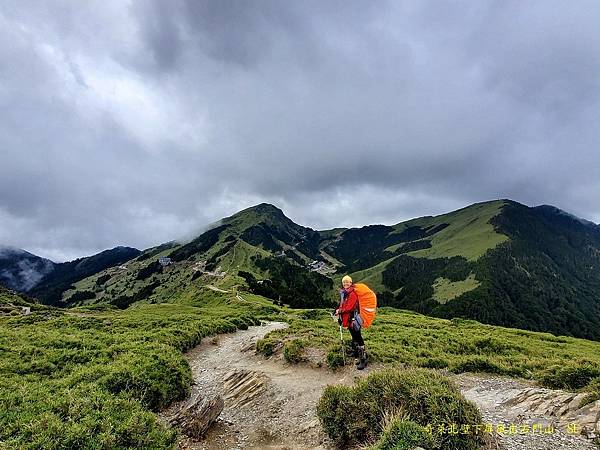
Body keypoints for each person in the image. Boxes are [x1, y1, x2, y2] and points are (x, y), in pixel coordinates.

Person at [335, 275, 368, 370]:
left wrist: (340, 311)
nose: (345, 284)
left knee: (358, 337)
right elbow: (342, 304)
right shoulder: (345, 293)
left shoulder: (352, 294)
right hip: (348, 319)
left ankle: (363, 359)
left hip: (353, 319)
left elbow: (350, 307)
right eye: (344, 282)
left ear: (351, 283)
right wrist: (338, 310)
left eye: (347, 282)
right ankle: (357, 354)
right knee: (354, 336)